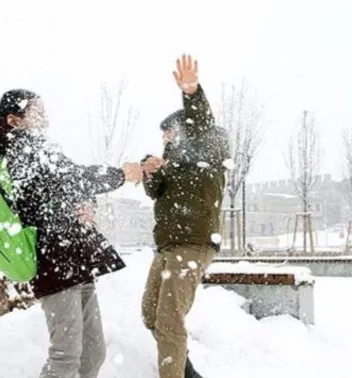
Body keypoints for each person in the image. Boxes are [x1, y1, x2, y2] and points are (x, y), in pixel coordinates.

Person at [0, 89, 145, 378]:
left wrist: (86, 203)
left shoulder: (40, 148)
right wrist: (121, 175)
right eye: (37, 111)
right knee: (66, 356)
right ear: (14, 120)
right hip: (54, 260)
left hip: (75, 258)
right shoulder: (18, 151)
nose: (45, 116)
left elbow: (65, 186)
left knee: (93, 353)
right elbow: (71, 179)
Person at [140, 54, 230, 378]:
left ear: (184, 130)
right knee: (151, 313)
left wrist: (191, 92)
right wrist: (150, 169)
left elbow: (201, 121)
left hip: (192, 243)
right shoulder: (173, 164)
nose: (165, 139)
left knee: (169, 321)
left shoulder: (208, 148)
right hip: (169, 245)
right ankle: (185, 369)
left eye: (169, 133)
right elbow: (154, 192)